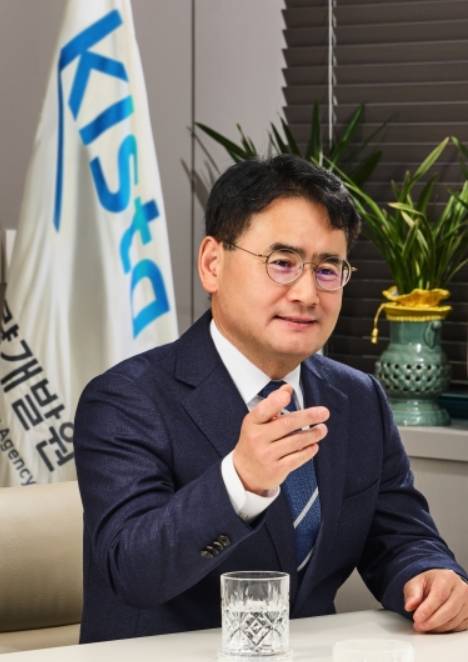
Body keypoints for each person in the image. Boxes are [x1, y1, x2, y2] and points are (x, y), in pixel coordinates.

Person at [74, 155, 468, 644]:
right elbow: (131, 570)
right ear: (213, 264)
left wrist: (430, 574)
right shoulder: (125, 399)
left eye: (328, 269)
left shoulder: (357, 397)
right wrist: (240, 482)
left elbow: (399, 534)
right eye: (282, 264)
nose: (307, 293)